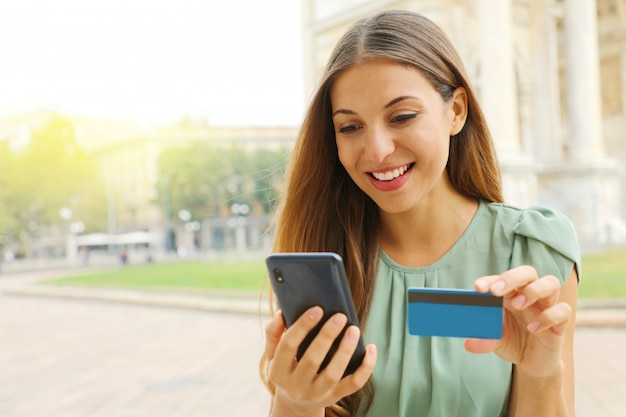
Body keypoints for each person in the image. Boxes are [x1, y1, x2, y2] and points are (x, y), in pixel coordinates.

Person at [261, 9, 580, 417]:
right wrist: (293, 401)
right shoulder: (323, 261)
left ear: (457, 111)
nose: (377, 151)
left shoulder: (535, 251)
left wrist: (540, 372)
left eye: (402, 117)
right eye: (350, 127)